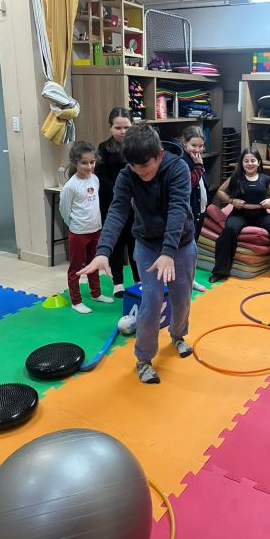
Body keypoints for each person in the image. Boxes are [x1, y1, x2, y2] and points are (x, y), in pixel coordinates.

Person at [77, 124, 196, 385]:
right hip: (147, 244)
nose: (140, 172)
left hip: (181, 244)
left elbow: (177, 209)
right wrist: (103, 251)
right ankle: (143, 359)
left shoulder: (178, 168)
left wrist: (169, 251)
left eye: (145, 166)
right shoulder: (127, 175)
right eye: (133, 166)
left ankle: (178, 336)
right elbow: (117, 210)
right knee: (151, 302)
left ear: (159, 154)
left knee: (182, 298)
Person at [209, 147, 270, 283]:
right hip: (239, 214)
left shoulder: (265, 179)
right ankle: (220, 272)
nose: (250, 163)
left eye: (253, 160)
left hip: (260, 214)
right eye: (246, 161)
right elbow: (220, 191)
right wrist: (232, 201)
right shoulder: (236, 178)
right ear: (242, 163)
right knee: (229, 230)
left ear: (258, 162)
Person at [59, 141, 114, 314]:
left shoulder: (95, 179)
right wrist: (75, 225)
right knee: (76, 267)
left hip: (95, 229)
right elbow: (64, 210)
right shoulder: (71, 186)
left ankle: (96, 293)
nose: (89, 166)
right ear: (75, 163)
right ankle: (76, 301)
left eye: (92, 162)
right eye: (84, 163)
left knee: (93, 264)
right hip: (78, 233)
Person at [96, 107, 140, 297]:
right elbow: (100, 176)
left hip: (136, 204)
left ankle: (139, 279)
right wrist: (120, 191)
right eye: (118, 128)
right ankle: (118, 283)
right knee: (116, 243)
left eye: (126, 127)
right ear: (110, 127)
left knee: (136, 242)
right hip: (111, 203)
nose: (122, 132)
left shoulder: (138, 146)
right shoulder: (103, 148)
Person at [181, 125, 210, 292]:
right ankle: (183, 281)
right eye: (193, 145)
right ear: (184, 143)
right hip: (188, 213)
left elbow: (203, 184)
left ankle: (190, 279)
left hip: (199, 210)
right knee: (185, 249)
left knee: (193, 248)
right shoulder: (183, 161)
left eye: (201, 146)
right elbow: (188, 184)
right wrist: (198, 166)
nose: (197, 150)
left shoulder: (198, 160)